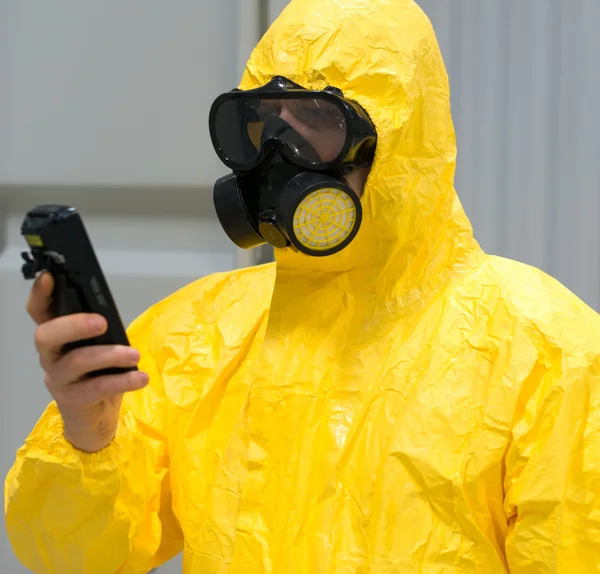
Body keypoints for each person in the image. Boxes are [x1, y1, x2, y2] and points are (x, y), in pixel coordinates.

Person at [5, 0, 600, 572]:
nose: (277, 154)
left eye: (317, 119)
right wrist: (90, 433)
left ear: (399, 142)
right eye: (263, 121)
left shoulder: (545, 353)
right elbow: (72, 557)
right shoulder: (197, 335)